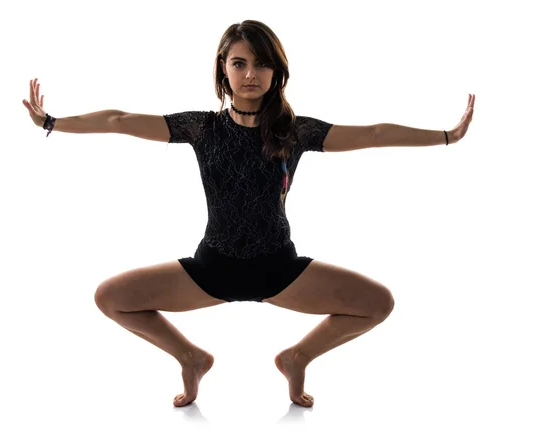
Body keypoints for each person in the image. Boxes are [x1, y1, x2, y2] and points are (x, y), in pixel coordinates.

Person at [23, 20, 475, 409]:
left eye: (261, 64)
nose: (250, 74)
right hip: (211, 269)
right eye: (239, 63)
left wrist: (448, 136)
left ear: (276, 71)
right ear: (223, 67)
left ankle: (297, 358)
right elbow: (119, 120)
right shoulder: (201, 128)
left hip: (279, 270)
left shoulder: (295, 132)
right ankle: (191, 358)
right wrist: (51, 122)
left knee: (380, 303)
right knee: (109, 297)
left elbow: (375, 133)